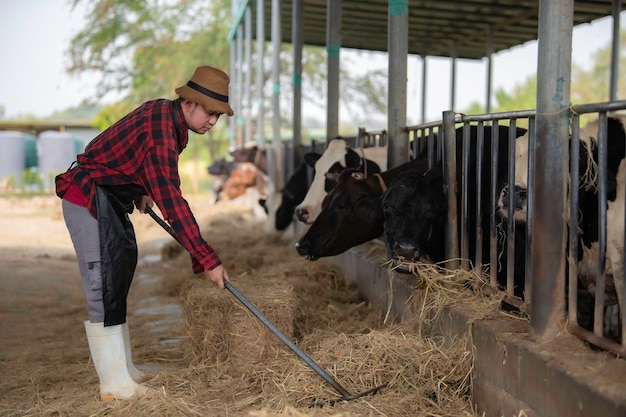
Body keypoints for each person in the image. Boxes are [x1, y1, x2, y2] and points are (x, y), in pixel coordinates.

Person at [55, 66, 233, 401]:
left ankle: (125, 371)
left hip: (109, 197)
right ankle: (113, 385)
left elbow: (118, 152)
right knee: (103, 284)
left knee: (117, 274)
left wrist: (141, 187)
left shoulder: (165, 116)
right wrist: (207, 259)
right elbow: (174, 203)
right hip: (88, 198)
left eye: (218, 115)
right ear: (189, 103)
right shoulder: (162, 131)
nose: (212, 121)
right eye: (209, 112)